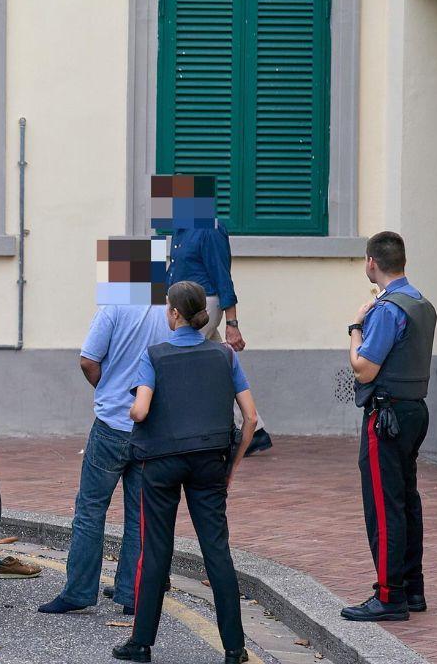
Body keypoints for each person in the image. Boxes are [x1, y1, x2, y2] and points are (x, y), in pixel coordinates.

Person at [113, 281, 257, 664]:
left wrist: (130, 409)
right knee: (217, 552)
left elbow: (141, 411)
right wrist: (233, 466)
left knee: (156, 549)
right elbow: (251, 419)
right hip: (210, 461)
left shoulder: (154, 355)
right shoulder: (226, 356)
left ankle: (141, 644)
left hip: (161, 463)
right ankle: (233, 647)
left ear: (174, 314)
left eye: (167, 307)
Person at [38, 303, 169, 616]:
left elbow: (88, 360)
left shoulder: (114, 308)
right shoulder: (170, 311)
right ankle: (131, 593)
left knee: (90, 510)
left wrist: (108, 387)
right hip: (149, 425)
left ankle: (79, 591)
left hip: (111, 424)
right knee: (140, 516)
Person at [341, 231, 436, 622]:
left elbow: (364, 369)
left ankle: (388, 594)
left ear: (371, 262)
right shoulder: (421, 303)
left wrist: (355, 329)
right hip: (415, 410)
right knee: (407, 501)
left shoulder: (385, 310)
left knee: (384, 506)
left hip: (386, 416)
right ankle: (412, 587)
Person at [168, 222, 272, 456]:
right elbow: (173, 272)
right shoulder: (179, 229)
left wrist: (232, 323)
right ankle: (255, 432)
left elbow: (222, 275)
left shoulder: (210, 229)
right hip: (178, 305)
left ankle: (181, 430)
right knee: (220, 367)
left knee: (178, 362)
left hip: (203, 305)